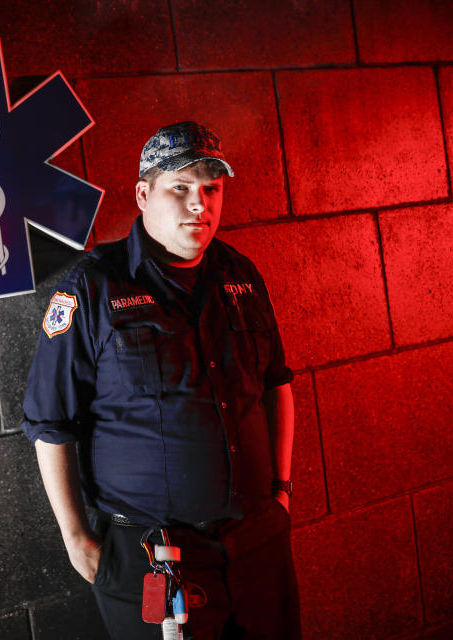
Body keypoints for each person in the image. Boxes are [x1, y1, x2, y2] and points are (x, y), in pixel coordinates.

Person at [22, 122, 300, 639]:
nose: (201, 204)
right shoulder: (94, 288)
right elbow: (49, 423)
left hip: (257, 545)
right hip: (156, 557)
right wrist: (76, 537)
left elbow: (276, 385)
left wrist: (281, 492)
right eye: (182, 187)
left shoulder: (239, 274)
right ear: (143, 194)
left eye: (211, 189)